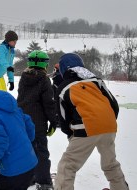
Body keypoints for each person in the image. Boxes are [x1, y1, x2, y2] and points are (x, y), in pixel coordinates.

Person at [54, 53, 129, 190]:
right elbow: (114, 104)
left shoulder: (64, 87)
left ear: (63, 69)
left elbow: (63, 117)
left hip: (85, 128)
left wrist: (70, 133)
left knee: (67, 165)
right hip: (109, 126)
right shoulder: (97, 81)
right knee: (110, 163)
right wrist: (107, 122)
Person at [17, 50, 59, 189]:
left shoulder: (24, 77)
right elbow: (49, 103)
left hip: (23, 121)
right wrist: (53, 122)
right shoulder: (44, 79)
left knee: (28, 150)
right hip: (38, 123)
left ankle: (30, 178)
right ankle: (45, 182)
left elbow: (21, 99)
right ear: (44, 64)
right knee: (41, 152)